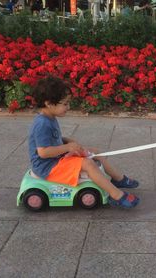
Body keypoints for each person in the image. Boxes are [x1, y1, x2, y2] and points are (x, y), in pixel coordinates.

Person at [28, 76, 140, 209]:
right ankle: (116, 196)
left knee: (95, 152)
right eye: (64, 103)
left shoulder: (49, 117)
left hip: (55, 160)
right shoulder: (42, 124)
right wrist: (67, 147)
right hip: (48, 167)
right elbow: (43, 152)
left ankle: (118, 178)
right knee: (88, 163)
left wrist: (65, 141)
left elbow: (50, 139)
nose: (68, 107)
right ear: (49, 104)